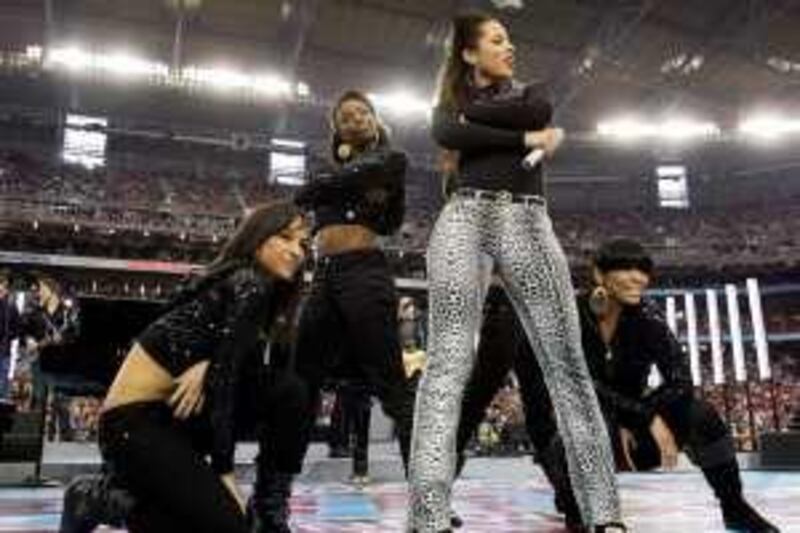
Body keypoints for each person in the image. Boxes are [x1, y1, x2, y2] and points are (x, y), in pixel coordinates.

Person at [409, 11, 623, 533]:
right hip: (463, 217)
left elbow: (532, 111)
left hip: (526, 218)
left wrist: (480, 133)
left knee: (567, 366)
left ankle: (605, 516)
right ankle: (427, 517)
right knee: (447, 366)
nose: (510, 48)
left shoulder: (534, 93)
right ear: (468, 52)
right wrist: (529, 139)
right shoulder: (460, 106)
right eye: (497, 40)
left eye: (510, 40)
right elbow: (443, 128)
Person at [455, 239, 781, 532]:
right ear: (599, 274)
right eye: (625, 269)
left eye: (643, 271)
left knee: (701, 413)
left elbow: (682, 382)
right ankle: (574, 500)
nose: (637, 277)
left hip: (629, 434)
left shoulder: (648, 320)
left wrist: (644, 417)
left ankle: (734, 508)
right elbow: (574, 383)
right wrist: (641, 416)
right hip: (579, 434)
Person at [60, 201, 309, 533]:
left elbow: (226, 358)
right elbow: (226, 382)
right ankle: (95, 499)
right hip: (134, 424)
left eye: (303, 243)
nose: (296, 251)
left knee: (287, 390)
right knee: (227, 526)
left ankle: (269, 507)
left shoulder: (240, 284)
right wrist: (224, 472)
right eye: (285, 237)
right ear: (258, 237)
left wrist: (208, 360)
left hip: (176, 413)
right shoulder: (250, 282)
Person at [285, 88, 412, 516]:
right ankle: (275, 490)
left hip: (365, 271)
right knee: (300, 379)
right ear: (335, 127)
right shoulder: (330, 166)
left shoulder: (393, 160)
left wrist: (350, 186)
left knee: (390, 383)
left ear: (375, 121)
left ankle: (430, 495)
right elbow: (315, 191)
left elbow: (391, 223)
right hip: (323, 275)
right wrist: (344, 183)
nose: (355, 118)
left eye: (363, 113)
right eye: (346, 115)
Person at [0, 272, 21, 400]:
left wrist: (10, 335)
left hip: (4, 348)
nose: (2, 289)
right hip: (4, 348)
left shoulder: (10, 306)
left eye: (3, 287)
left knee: (4, 374)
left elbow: (17, 326)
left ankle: (4, 397)